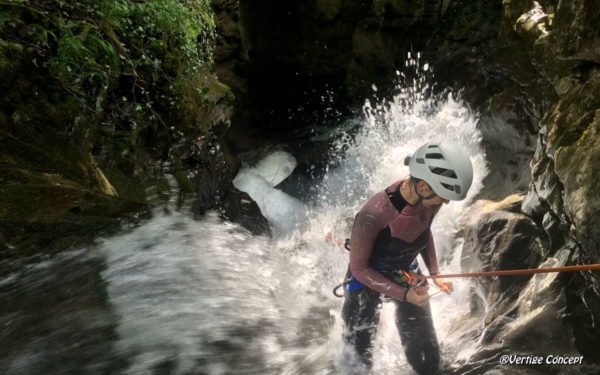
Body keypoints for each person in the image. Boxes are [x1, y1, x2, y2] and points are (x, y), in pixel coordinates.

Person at [341, 140, 473, 374]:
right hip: (365, 280)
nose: (445, 202)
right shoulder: (374, 213)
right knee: (358, 361)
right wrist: (404, 294)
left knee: (428, 357)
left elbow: (423, 230)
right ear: (422, 186)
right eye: (443, 196)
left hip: (406, 272)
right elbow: (359, 269)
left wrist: (435, 275)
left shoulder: (430, 197)